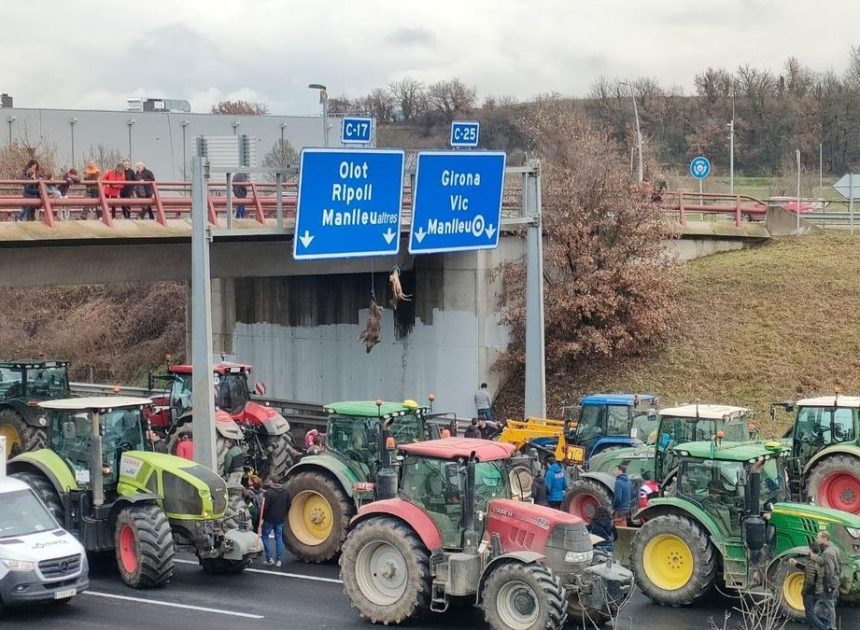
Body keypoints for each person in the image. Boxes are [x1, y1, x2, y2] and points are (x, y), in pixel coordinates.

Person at [789, 543, 826, 630]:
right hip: (817, 591)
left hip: (810, 593)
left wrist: (803, 592)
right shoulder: (820, 561)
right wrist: (796, 564)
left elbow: (809, 581)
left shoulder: (811, 563)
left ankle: (824, 628)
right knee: (811, 613)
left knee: (810, 614)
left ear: (810, 550)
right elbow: (810, 570)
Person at [258, 477, 290, 567]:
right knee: (279, 538)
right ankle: (279, 559)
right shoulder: (285, 492)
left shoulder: (269, 493)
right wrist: (284, 513)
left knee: (265, 536)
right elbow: (289, 504)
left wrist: (263, 517)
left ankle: (269, 558)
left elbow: (265, 507)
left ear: (271, 482)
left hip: (269, 519)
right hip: (280, 519)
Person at [816, 530, 841, 630]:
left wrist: (828, 586)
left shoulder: (826, 553)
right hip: (836, 581)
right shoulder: (835, 548)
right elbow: (840, 564)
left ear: (824, 538)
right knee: (827, 605)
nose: (817, 539)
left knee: (828, 606)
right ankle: (827, 626)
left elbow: (829, 572)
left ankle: (831, 627)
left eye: (818, 538)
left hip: (830, 583)